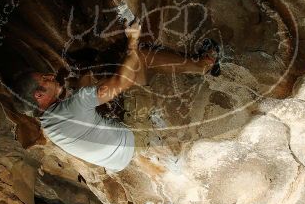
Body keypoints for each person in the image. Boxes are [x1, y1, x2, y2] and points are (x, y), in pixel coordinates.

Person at [12, 21, 217, 171]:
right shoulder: (73, 106)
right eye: (45, 79)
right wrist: (132, 43)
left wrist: (86, 75)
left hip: (115, 161)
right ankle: (204, 66)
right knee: (141, 58)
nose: (50, 76)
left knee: (92, 81)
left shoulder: (47, 123)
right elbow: (121, 83)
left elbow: (82, 94)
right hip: (133, 140)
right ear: (39, 95)